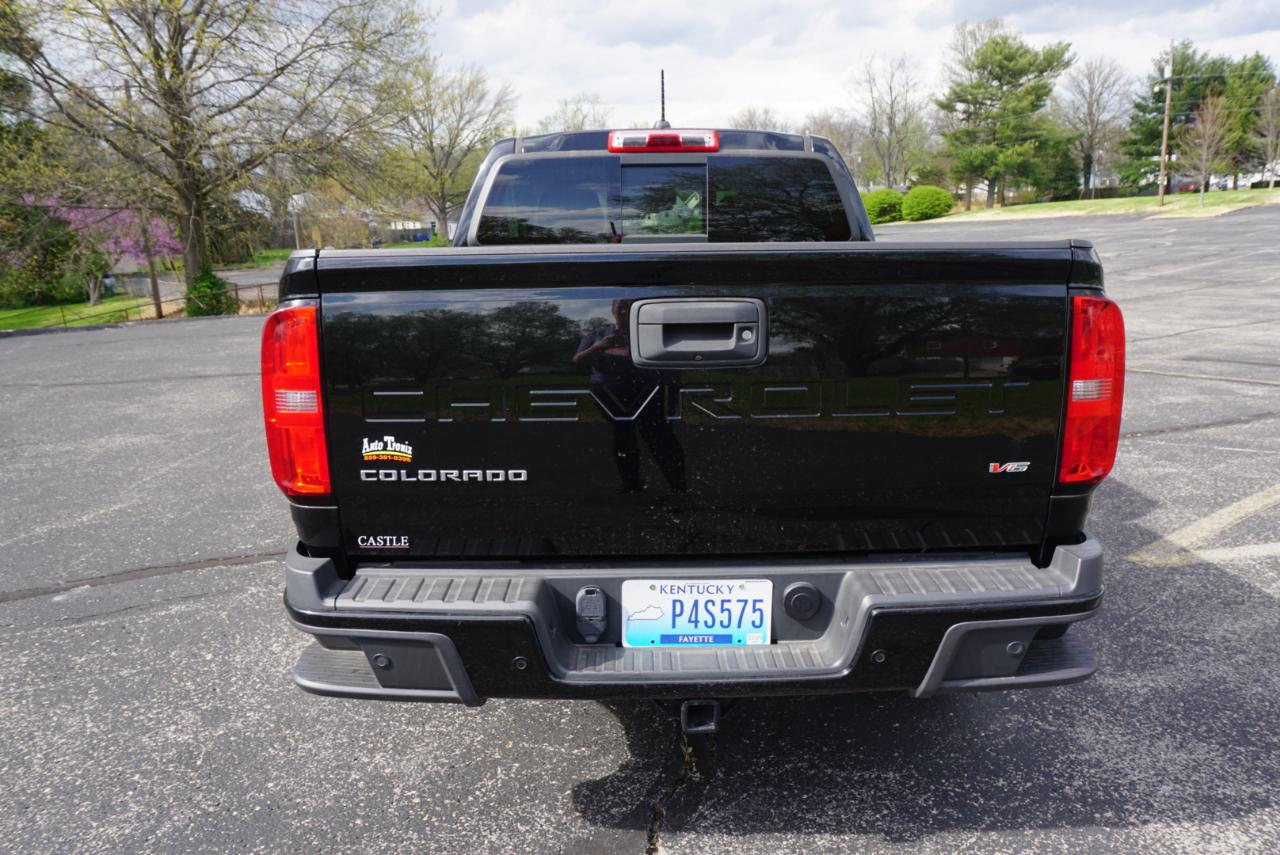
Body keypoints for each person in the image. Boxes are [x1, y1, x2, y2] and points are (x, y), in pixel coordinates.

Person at [574, 300, 686, 493]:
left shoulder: (650, 332)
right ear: (612, 310)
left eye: (630, 307)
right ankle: (631, 485)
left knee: (658, 437)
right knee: (623, 436)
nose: (625, 311)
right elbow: (578, 360)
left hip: (648, 391)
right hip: (609, 394)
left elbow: (671, 364)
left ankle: (678, 484)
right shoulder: (598, 334)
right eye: (621, 307)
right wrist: (600, 346)